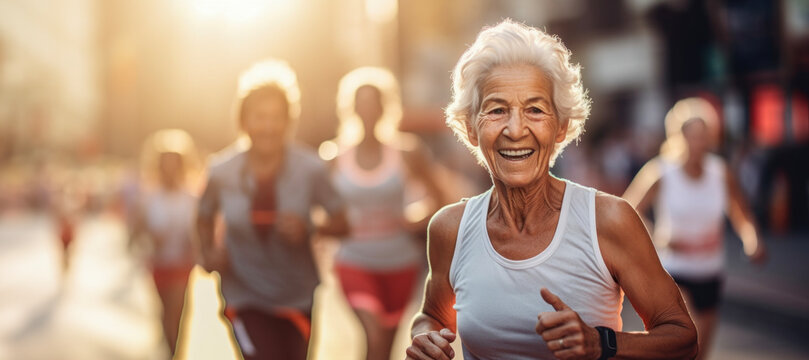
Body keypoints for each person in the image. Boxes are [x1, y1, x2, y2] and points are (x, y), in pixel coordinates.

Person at [406, 20, 698, 360]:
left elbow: (683, 339)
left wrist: (601, 343)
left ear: (561, 127)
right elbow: (433, 316)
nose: (515, 130)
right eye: (498, 110)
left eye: (535, 109)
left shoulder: (608, 220)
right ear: (472, 129)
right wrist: (424, 336)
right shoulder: (449, 229)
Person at [196, 59, 349, 360]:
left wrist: (309, 227)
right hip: (244, 294)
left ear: (289, 121)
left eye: (277, 117)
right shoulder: (221, 170)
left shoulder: (310, 169)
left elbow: (343, 223)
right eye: (259, 117)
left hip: (296, 295)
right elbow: (203, 216)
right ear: (243, 120)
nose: (268, 127)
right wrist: (207, 252)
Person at [623, 97, 767, 359]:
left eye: (704, 136)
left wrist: (752, 240)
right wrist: (655, 236)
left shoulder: (720, 172)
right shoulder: (661, 171)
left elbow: (741, 213)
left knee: (701, 352)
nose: (698, 143)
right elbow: (626, 211)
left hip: (711, 270)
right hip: (675, 271)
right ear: (678, 137)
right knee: (688, 341)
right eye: (692, 136)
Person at [328, 67, 447, 360]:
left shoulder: (408, 151)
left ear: (385, 107)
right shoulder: (332, 157)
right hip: (354, 261)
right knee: (373, 335)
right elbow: (319, 211)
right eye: (361, 103)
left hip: (400, 264)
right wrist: (330, 225)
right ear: (351, 108)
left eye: (374, 103)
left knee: (383, 348)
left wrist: (415, 219)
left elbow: (440, 197)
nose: (368, 110)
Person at [131, 129, 200, 356]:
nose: (170, 170)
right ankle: (170, 347)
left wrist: (194, 243)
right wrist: (149, 237)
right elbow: (137, 231)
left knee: (177, 310)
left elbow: (201, 231)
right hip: (159, 263)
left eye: (174, 164)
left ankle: (176, 351)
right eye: (165, 165)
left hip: (182, 263)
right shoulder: (150, 198)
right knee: (164, 312)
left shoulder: (191, 198)